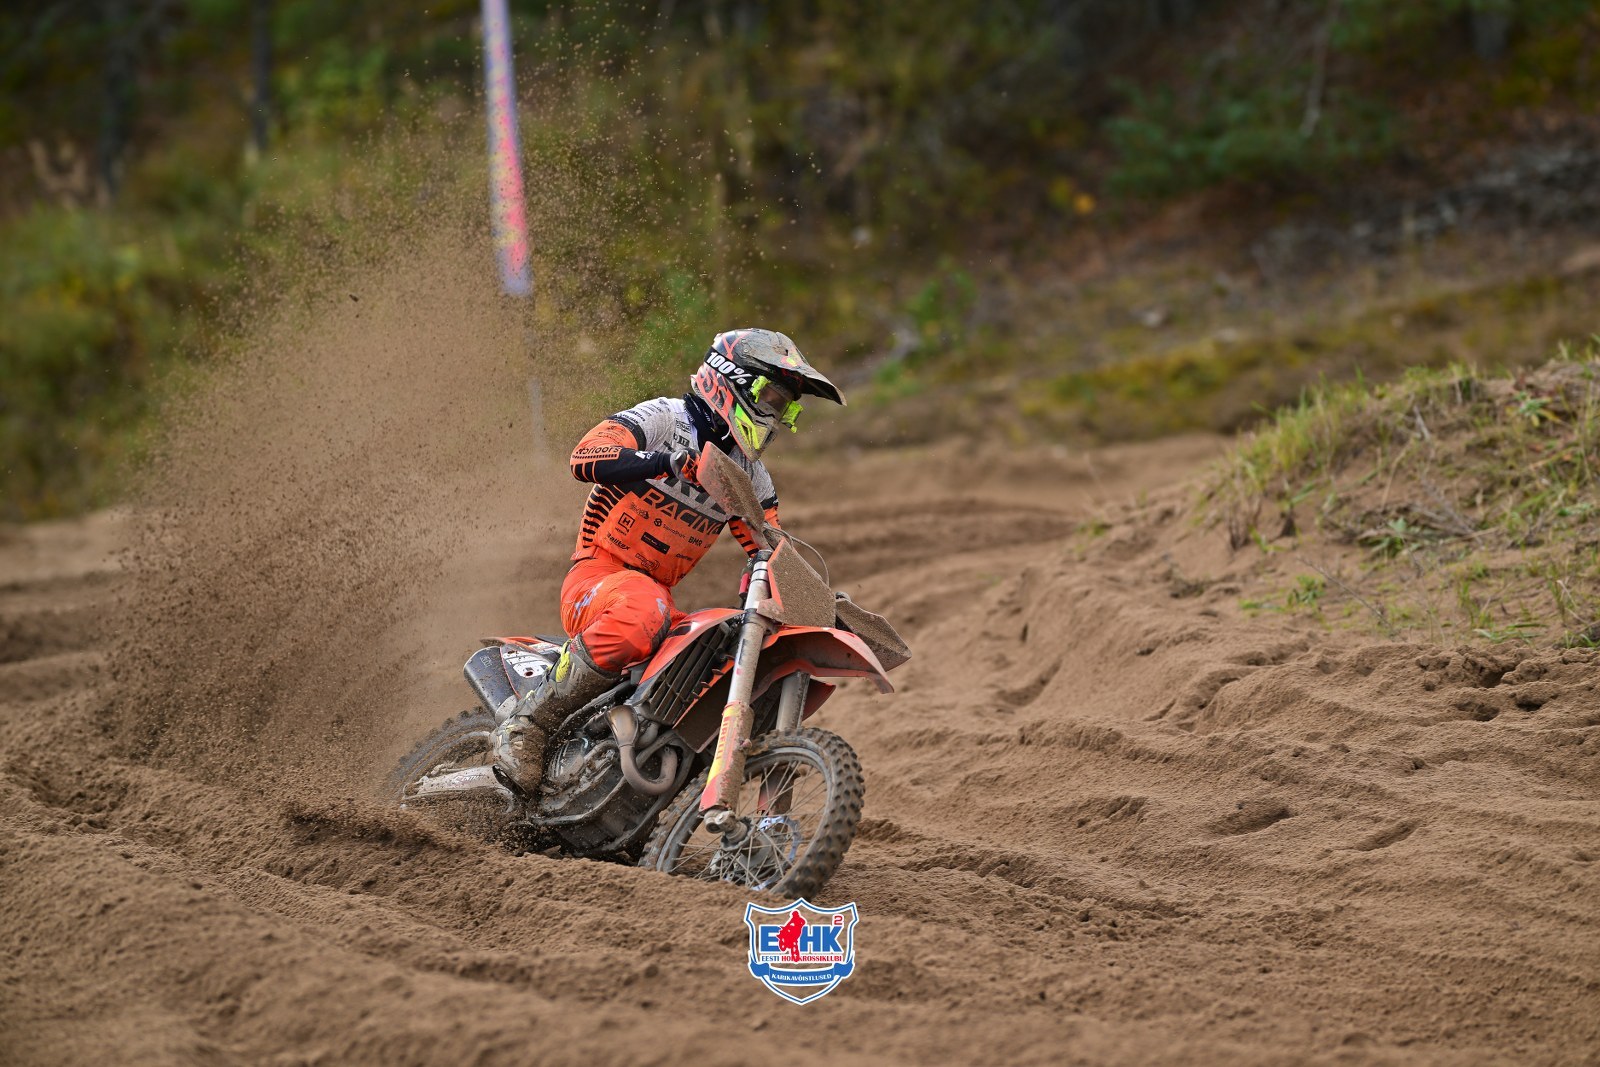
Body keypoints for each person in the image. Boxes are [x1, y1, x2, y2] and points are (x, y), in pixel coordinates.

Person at [492, 328, 845, 796]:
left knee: (714, 651)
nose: (775, 417)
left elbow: (771, 551)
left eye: (786, 409)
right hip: (598, 576)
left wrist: (820, 604)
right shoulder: (665, 418)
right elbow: (585, 456)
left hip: (656, 598)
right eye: (772, 399)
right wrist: (663, 461)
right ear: (732, 380)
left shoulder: (750, 476)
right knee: (645, 611)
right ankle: (526, 725)